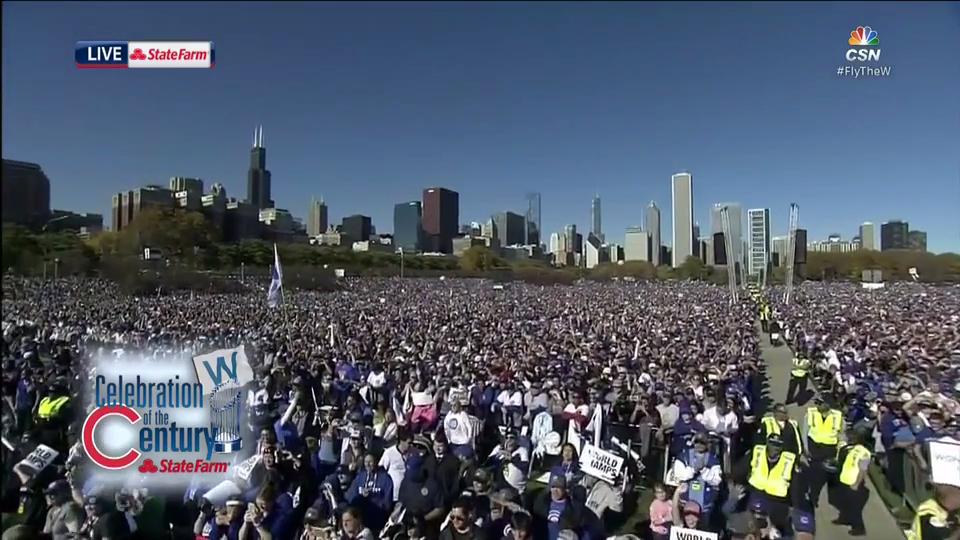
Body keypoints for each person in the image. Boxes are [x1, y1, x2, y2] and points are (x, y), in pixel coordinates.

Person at [740, 434, 796, 533]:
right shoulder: (757, 452)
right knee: (748, 526)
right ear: (767, 444)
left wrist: (793, 504)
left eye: (778, 445)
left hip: (778, 501)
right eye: (772, 444)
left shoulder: (789, 459)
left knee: (777, 532)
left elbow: (796, 485)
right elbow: (741, 470)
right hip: (756, 493)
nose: (775, 448)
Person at [803, 396, 843, 505]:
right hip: (814, 446)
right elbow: (805, 431)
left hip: (829, 448)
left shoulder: (837, 416)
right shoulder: (811, 413)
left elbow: (841, 435)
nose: (818, 406)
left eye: (821, 404)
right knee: (816, 473)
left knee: (825, 474)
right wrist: (805, 447)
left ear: (828, 405)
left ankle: (815, 494)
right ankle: (813, 497)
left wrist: (839, 452)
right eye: (818, 403)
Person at [831, 429, 872, 536]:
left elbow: (863, 470)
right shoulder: (851, 449)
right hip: (845, 480)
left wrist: (856, 484)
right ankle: (844, 518)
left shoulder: (864, 453)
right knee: (844, 504)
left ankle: (859, 528)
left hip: (854, 483)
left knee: (855, 508)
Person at [345, 454, 393, 532]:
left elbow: (387, 502)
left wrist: (373, 497)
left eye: (370, 462)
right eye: (366, 462)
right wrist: (361, 496)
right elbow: (351, 496)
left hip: (377, 516)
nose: (367, 464)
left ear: (376, 462)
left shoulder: (385, 478)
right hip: (360, 517)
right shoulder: (360, 477)